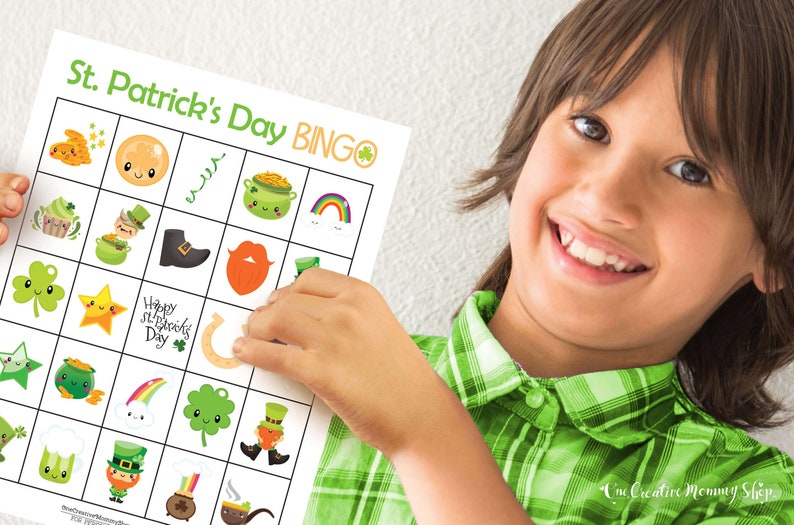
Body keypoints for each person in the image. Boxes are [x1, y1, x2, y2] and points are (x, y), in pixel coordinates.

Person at [2, 1, 793, 523]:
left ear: (773, 251)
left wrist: (426, 436)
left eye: (692, 170)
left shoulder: (740, 495)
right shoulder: (285, 367)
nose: (608, 194)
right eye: (591, 126)